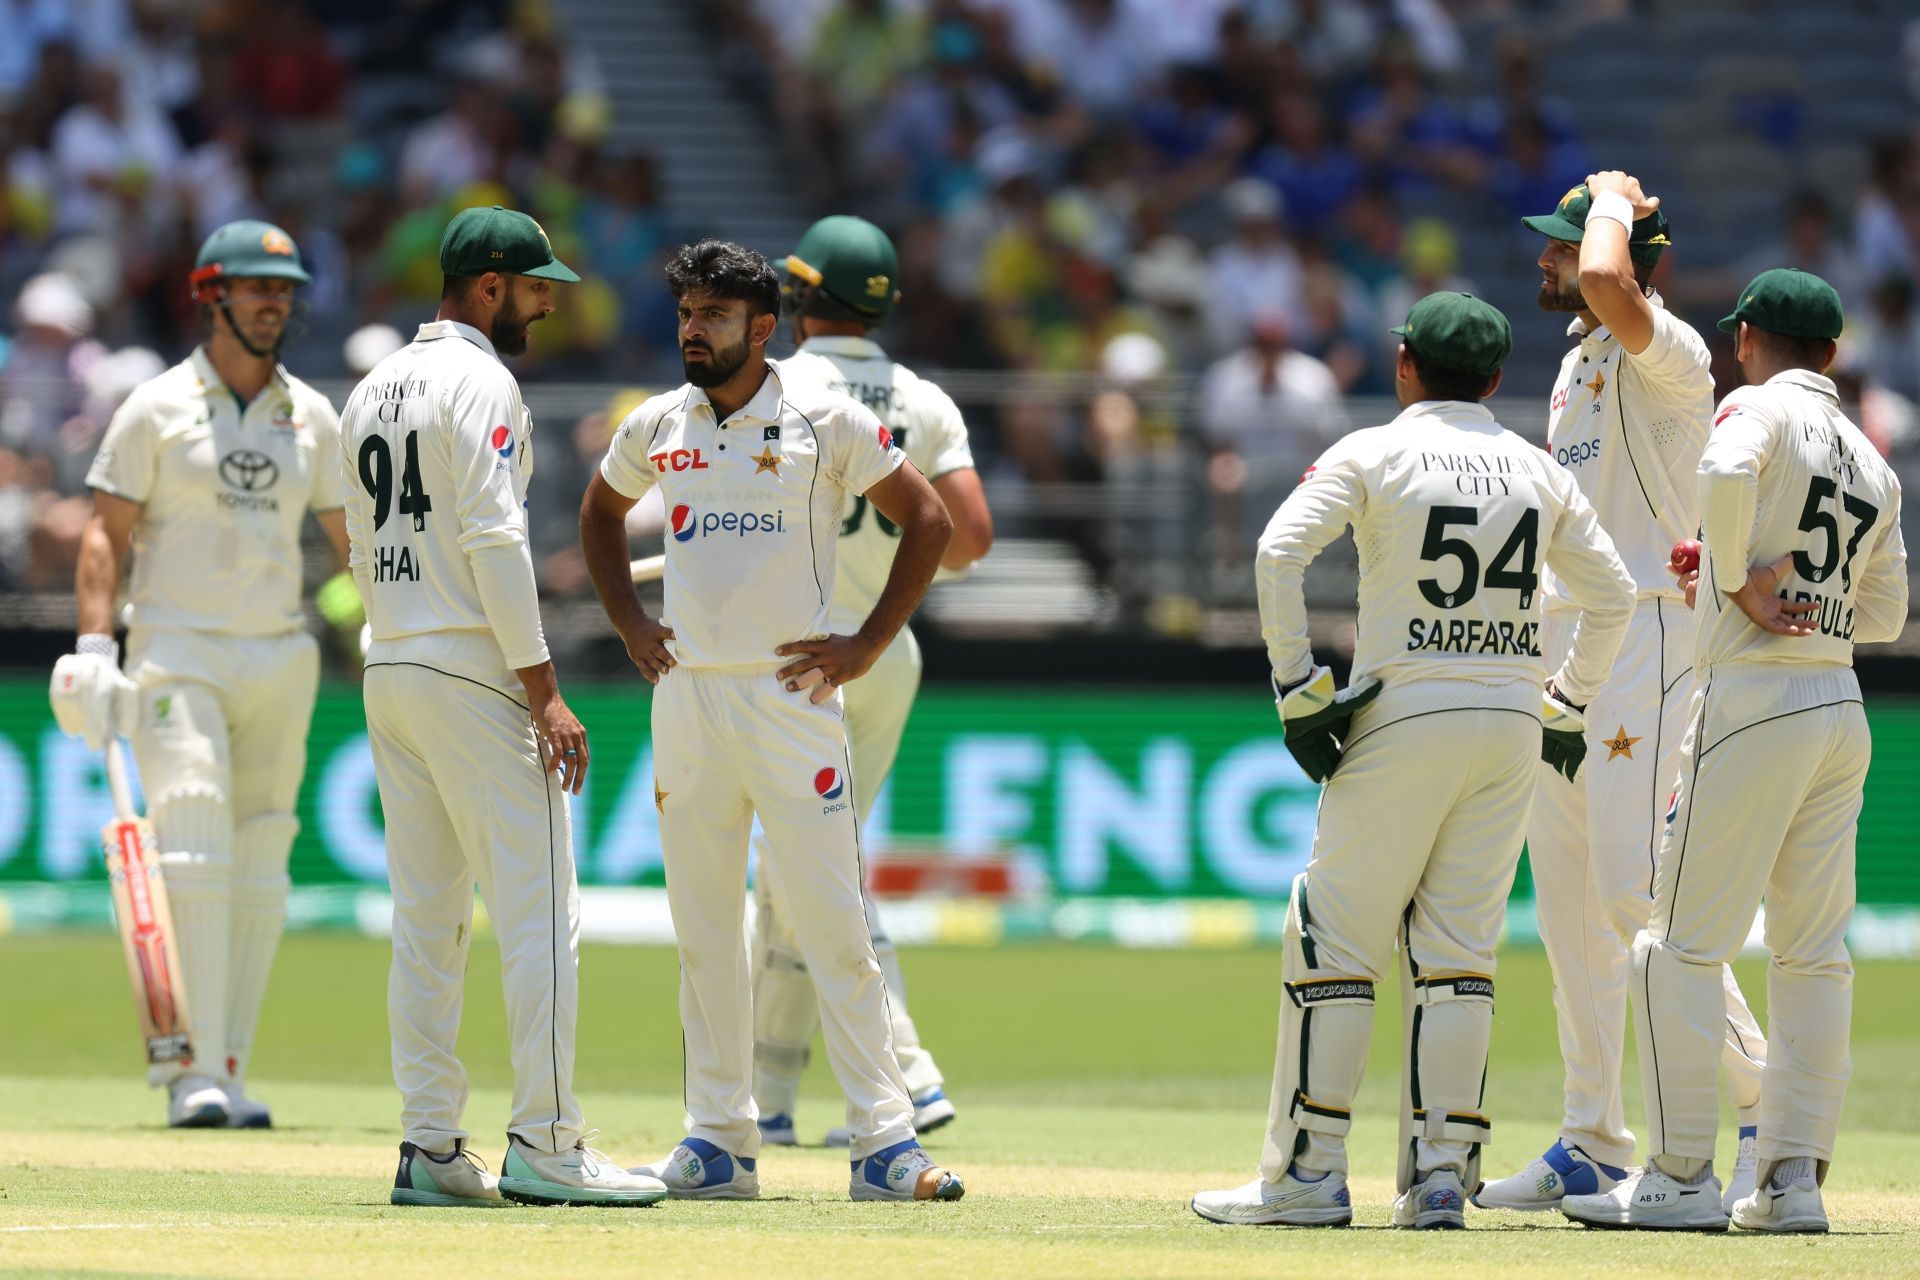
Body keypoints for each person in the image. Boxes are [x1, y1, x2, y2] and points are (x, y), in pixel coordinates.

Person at [1190, 293, 1636, 1229]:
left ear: (1402, 364)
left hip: (1405, 707)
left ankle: (1308, 1176)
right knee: (1459, 953)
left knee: (1335, 935)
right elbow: (1614, 596)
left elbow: (1277, 553)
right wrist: (1569, 701)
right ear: (1497, 378)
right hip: (1511, 717)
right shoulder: (1535, 467)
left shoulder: (1371, 450)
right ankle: (1442, 1176)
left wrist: (1298, 688)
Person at [579, 239, 965, 1203]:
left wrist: (867, 643)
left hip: (793, 700)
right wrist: (631, 622)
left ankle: (884, 1140)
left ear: (763, 327)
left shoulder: (822, 414)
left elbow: (929, 520)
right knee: (706, 928)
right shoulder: (659, 421)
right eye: (684, 315)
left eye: (713, 317)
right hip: (691, 698)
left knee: (832, 919)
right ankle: (719, 1139)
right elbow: (598, 515)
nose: (692, 333)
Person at [337, 205, 666, 1209]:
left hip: (391, 662)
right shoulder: (483, 379)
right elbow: (492, 537)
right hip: (471, 671)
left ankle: (431, 1146)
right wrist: (544, 687)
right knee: (541, 913)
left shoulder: (370, 388)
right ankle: (549, 1141)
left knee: (427, 922)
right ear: (487, 286)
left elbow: (361, 544)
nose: (550, 298)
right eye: (534, 284)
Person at [1564, 270, 1907, 1232]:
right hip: (1839, 703)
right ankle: (1792, 1183)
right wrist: (1772, 586)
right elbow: (1884, 611)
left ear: (1748, 338)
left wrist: (1735, 584)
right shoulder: (1871, 459)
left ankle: (1678, 1178)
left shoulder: (1753, 407)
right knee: (1811, 956)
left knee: (1673, 944)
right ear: (1833, 355)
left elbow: (1722, 475)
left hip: (1752, 695)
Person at [1478, 174, 1770, 1214]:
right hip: (1569, 644)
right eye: (1558, 245)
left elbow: (1608, 272)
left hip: (1650, 633)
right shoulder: (1575, 367)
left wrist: (1610, 196)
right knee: (1569, 912)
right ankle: (1593, 1136)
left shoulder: (1674, 353)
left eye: (1563, 246)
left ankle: (1765, 1104)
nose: (1552, 261)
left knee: (1638, 897)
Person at [48, 220, 344, 1130]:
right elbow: (107, 530)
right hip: (179, 646)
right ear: (212, 295)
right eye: (257, 288)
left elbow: (351, 544)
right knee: (197, 842)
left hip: (278, 651)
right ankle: (188, 1077)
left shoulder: (313, 415)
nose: (274, 303)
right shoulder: (157, 405)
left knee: (261, 858)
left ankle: (227, 1069)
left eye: (286, 290)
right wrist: (98, 646)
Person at [752, 214, 994, 1149]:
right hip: (886, 651)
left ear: (805, 297)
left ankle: (908, 1071)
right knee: (789, 873)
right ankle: (769, 1097)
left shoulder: (775, 385)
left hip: (796, 661)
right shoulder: (922, 399)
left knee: (809, 869)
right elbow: (969, 542)